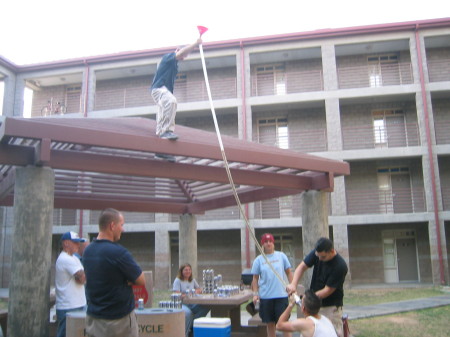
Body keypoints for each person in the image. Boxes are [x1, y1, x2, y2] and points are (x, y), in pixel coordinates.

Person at [83, 208, 146, 337]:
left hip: (94, 318)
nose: (123, 229)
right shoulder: (118, 253)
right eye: (121, 225)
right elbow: (141, 280)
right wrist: (126, 280)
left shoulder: (88, 251)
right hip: (118, 322)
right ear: (112, 226)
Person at [150, 38, 202, 161]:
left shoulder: (175, 66)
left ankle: (160, 151)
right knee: (171, 101)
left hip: (164, 91)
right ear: (178, 50)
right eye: (184, 54)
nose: (185, 56)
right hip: (158, 89)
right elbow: (179, 53)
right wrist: (195, 43)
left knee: (162, 117)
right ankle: (166, 131)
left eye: (186, 55)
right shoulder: (168, 57)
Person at [286, 237, 348, 337]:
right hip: (314, 306)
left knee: (333, 333)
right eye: (317, 256)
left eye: (322, 257)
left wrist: (307, 298)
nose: (319, 259)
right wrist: (293, 284)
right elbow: (301, 267)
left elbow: (327, 290)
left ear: (332, 251)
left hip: (330, 306)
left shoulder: (340, 266)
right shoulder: (318, 253)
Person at [251, 233, 293, 337]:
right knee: (270, 324)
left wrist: (292, 287)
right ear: (262, 244)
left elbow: (289, 272)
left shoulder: (281, 256)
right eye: (266, 242)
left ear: (273, 243)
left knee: (284, 324)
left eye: (270, 241)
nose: (268, 243)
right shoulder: (258, 260)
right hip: (266, 297)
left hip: (281, 296)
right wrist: (255, 294)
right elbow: (255, 279)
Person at [55, 231, 87, 337]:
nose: (78, 245)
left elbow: (82, 278)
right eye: (75, 242)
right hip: (68, 306)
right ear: (66, 243)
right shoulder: (65, 258)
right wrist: (81, 277)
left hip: (79, 304)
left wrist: (82, 277)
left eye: (78, 242)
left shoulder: (74, 258)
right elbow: (82, 277)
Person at [172, 263, 209, 337]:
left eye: (189, 270)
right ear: (181, 271)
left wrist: (196, 291)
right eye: (185, 270)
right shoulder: (178, 280)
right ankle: (185, 333)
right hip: (181, 303)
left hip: (192, 303)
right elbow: (177, 294)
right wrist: (188, 294)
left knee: (206, 307)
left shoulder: (192, 280)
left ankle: (192, 325)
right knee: (188, 313)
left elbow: (199, 289)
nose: (188, 271)